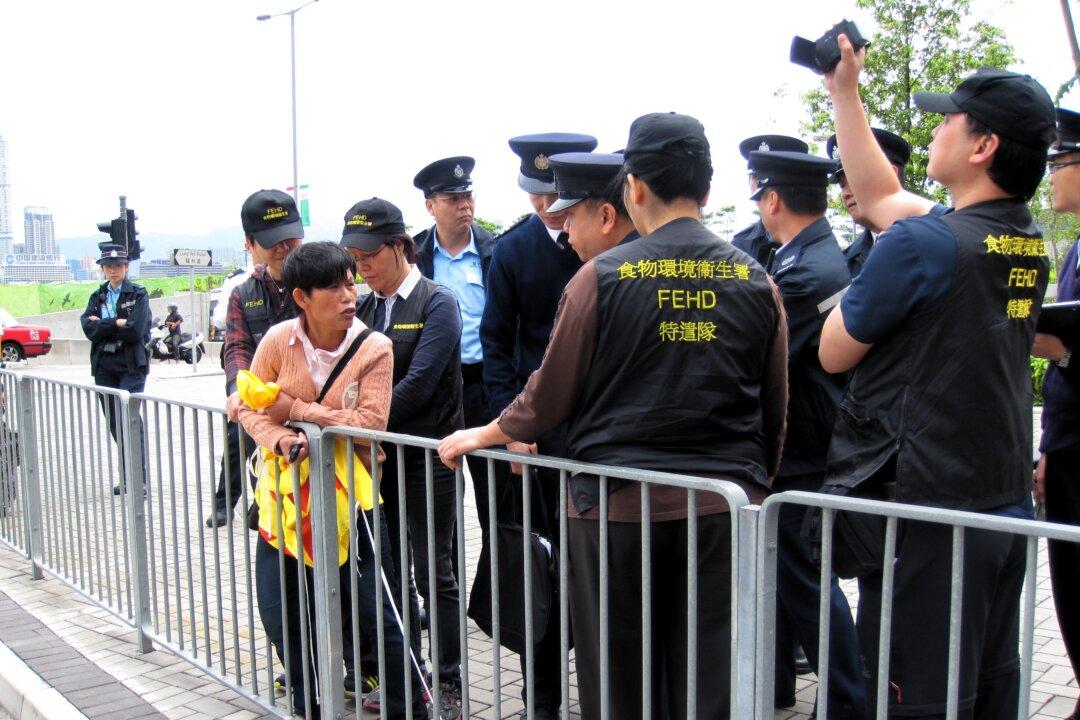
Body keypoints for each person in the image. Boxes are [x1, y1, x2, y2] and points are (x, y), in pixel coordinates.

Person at [440, 112, 789, 720]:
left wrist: (487, 432)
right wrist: (755, 485)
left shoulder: (599, 278)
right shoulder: (755, 278)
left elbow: (548, 395)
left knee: (619, 681)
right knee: (711, 681)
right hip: (725, 507)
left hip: (618, 511)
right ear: (707, 189)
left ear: (634, 188)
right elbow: (775, 408)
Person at [819, 35, 1055, 718]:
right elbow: (881, 195)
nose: (934, 129)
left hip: (930, 514)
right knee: (984, 685)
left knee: (914, 697)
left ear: (983, 145)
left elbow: (833, 352)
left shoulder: (922, 245)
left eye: (948, 118)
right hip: (999, 502)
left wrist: (863, 298)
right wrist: (844, 91)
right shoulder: (1020, 238)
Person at [238, 241, 427, 720]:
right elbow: (248, 406)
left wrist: (296, 410)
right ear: (302, 297)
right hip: (285, 498)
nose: (349, 296)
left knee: (377, 611)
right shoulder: (278, 341)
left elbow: (370, 423)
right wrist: (282, 438)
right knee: (279, 607)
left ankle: (409, 707)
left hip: (354, 499)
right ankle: (310, 704)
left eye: (350, 284)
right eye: (335, 287)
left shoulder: (373, 347)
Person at [479, 132, 596, 719]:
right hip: (536, 435)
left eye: (556, 195)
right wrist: (511, 426)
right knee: (540, 572)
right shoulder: (512, 251)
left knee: (595, 570)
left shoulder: (607, 246)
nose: (547, 206)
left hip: (597, 433)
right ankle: (542, 698)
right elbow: (496, 344)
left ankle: (602, 693)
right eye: (536, 194)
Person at [747, 149, 866, 716]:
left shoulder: (807, 271)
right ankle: (780, 685)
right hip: (800, 445)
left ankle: (845, 697)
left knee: (807, 583)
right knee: (787, 576)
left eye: (760, 198)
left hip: (802, 449)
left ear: (773, 199)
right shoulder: (806, 256)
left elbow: (760, 357)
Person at [345, 198, 464, 718]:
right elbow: (349, 379)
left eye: (370, 255)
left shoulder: (437, 303)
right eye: (355, 259)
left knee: (435, 570)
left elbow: (420, 384)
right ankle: (408, 677)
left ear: (399, 246)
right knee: (390, 574)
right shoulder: (364, 310)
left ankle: (450, 679)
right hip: (379, 460)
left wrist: (360, 421)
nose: (362, 268)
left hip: (428, 456)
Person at [411, 157, 505, 539]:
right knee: (439, 505)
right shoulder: (414, 257)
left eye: (468, 196)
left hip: (484, 385)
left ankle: (497, 573)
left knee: (497, 500)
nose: (465, 205)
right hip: (435, 391)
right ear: (430, 205)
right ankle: (444, 574)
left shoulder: (495, 250)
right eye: (453, 199)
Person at [209, 189, 303, 529]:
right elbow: (237, 348)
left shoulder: (319, 281)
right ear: (249, 244)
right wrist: (238, 391)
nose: (284, 248)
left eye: (290, 238)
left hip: (307, 411)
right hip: (262, 412)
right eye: (272, 241)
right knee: (243, 448)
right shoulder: (243, 293)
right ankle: (237, 503)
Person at [1033, 106, 1080, 720]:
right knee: (1069, 583)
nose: (1052, 175)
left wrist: (1065, 351)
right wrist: (1047, 449)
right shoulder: (1073, 249)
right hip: (1068, 442)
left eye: (1060, 162)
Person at [80, 243, 151, 495]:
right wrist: (116, 322)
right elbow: (89, 328)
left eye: (118, 265)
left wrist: (104, 324)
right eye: (108, 266)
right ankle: (127, 477)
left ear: (126, 266)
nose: (113, 270)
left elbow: (135, 330)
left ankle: (139, 480)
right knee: (114, 423)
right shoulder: (98, 296)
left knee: (129, 419)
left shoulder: (138, 294)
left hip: (130, 365)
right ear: (102, 268)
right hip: (104, 366)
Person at [824, 128, 912, 277]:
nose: (846, 193)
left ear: (890, 174)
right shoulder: (847, 261)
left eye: (854, 180)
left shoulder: (935, 241)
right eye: (842, 185)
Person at [731, 134, 809, 266]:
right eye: (757, 177)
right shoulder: (741, 245)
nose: (762, 186)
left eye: (770, 177)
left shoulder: (811, 238)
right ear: (749, 182)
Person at [548, 151, 639, 261]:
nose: (565, 227)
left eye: (570, 215)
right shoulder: (653, 256)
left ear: (606, 217)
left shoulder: (606, 270)